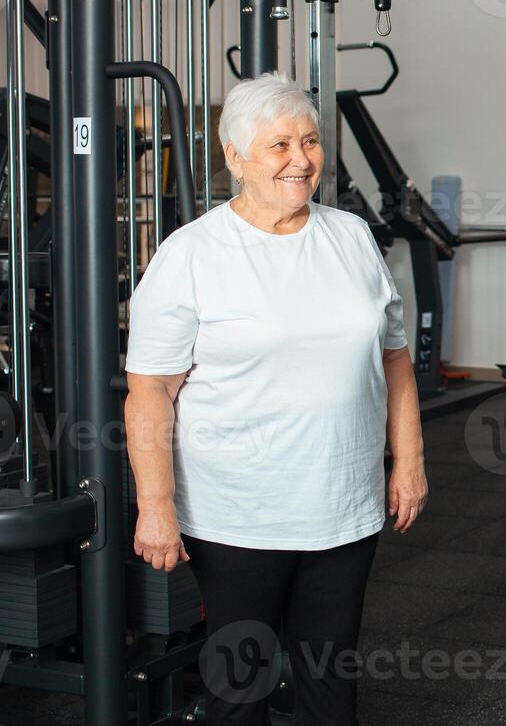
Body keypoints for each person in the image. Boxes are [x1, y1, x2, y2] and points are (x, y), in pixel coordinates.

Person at [124, 72, 427, 726]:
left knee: (329, 684)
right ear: (234, 157)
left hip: (343, 508)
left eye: (310, 142)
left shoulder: (350, 238)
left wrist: (409, 463)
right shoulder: (191, 255)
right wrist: (155, 505)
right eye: (279, 145)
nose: (301, 159)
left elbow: (394, 358)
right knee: (240, 690)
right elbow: (149, 390)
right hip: (237, 515)